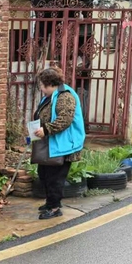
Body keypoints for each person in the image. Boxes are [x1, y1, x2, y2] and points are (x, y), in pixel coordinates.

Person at [33, 67, 85, 220]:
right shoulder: (51, 96)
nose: (41, 88)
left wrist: (47, 129)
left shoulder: (65, 96)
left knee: (55, 177)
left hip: (64, 144)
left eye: (42, 85)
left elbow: (65, 119)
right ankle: (51, 202)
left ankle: (54, 208)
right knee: (44, 174)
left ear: (50, 83)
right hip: (52, 143)